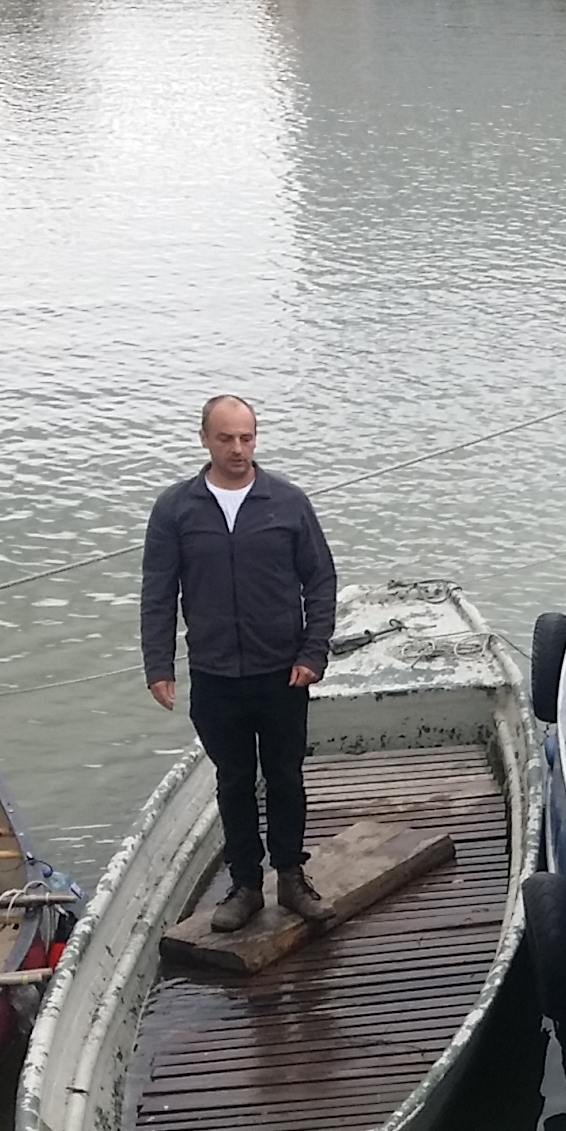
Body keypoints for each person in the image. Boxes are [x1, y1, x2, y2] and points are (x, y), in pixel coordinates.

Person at [142, 396, 339, 932]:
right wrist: (159, 665)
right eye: (226, 438)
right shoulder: (176, 510)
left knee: (285, 776)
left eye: (246, 438)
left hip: (282, 672)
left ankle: (291, 878)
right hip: (215, 674)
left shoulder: (287, 503)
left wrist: (313, 652)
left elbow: (320, 580)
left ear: (256, 439)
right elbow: (158, 593)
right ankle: (245, 886)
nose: (237, 449)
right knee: (233, 780)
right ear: (205, 439)